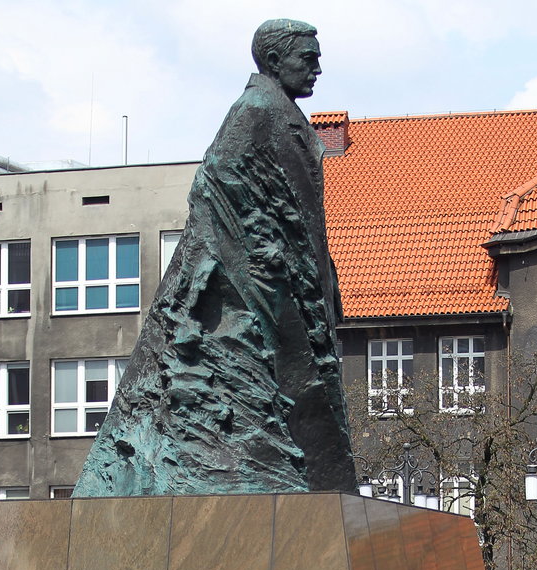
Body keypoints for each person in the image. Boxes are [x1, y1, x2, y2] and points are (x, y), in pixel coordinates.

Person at [74, 18, 356, 499]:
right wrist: (264, 250)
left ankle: (317, 490)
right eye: (307, 59)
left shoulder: (285, 115)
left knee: (312, 396)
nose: (318, 69)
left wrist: (323, 276)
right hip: (254, 286)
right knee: (293, 390)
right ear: (273, 60)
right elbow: (216, 181)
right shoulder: (254, 110)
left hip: (294, 278)